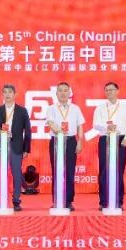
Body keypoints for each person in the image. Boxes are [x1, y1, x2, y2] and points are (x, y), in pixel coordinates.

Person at [91, 81, 126, 210]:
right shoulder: (100, 108)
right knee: (104, 171)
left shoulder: (125, 107)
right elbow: (95, 124)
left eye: (111, 89)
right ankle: (103, 202)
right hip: (105, 139)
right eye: (107, 90)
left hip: (120, 139)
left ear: (117, 91)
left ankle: (118, 201)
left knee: (119, 170)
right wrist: (107, 127)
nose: (109, 92)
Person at [44, 82, 85, 211]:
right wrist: (59, 131)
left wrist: (80, 141)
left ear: (69, 93)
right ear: (56, 93)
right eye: (60, 90)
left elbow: (80, 126)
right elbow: (50, 123)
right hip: (56, 141)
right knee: (56, 171)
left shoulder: (75, 108)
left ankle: (68, 201)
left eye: (65, 90)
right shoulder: (51, 108)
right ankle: (56, 200)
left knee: (70, 172)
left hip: (71, 141)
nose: (63, 93)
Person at [0, 84, 31, 212]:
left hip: (16, 146)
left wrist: (26, 149)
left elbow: (28, 130)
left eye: (10, 92)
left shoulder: (22, 111)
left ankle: (16, 201)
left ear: (15, 94)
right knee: (2, 174)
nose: (7, 95)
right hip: (1, 145)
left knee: (16, 174)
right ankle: (1, 201)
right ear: (2, 94)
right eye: (5, 92)